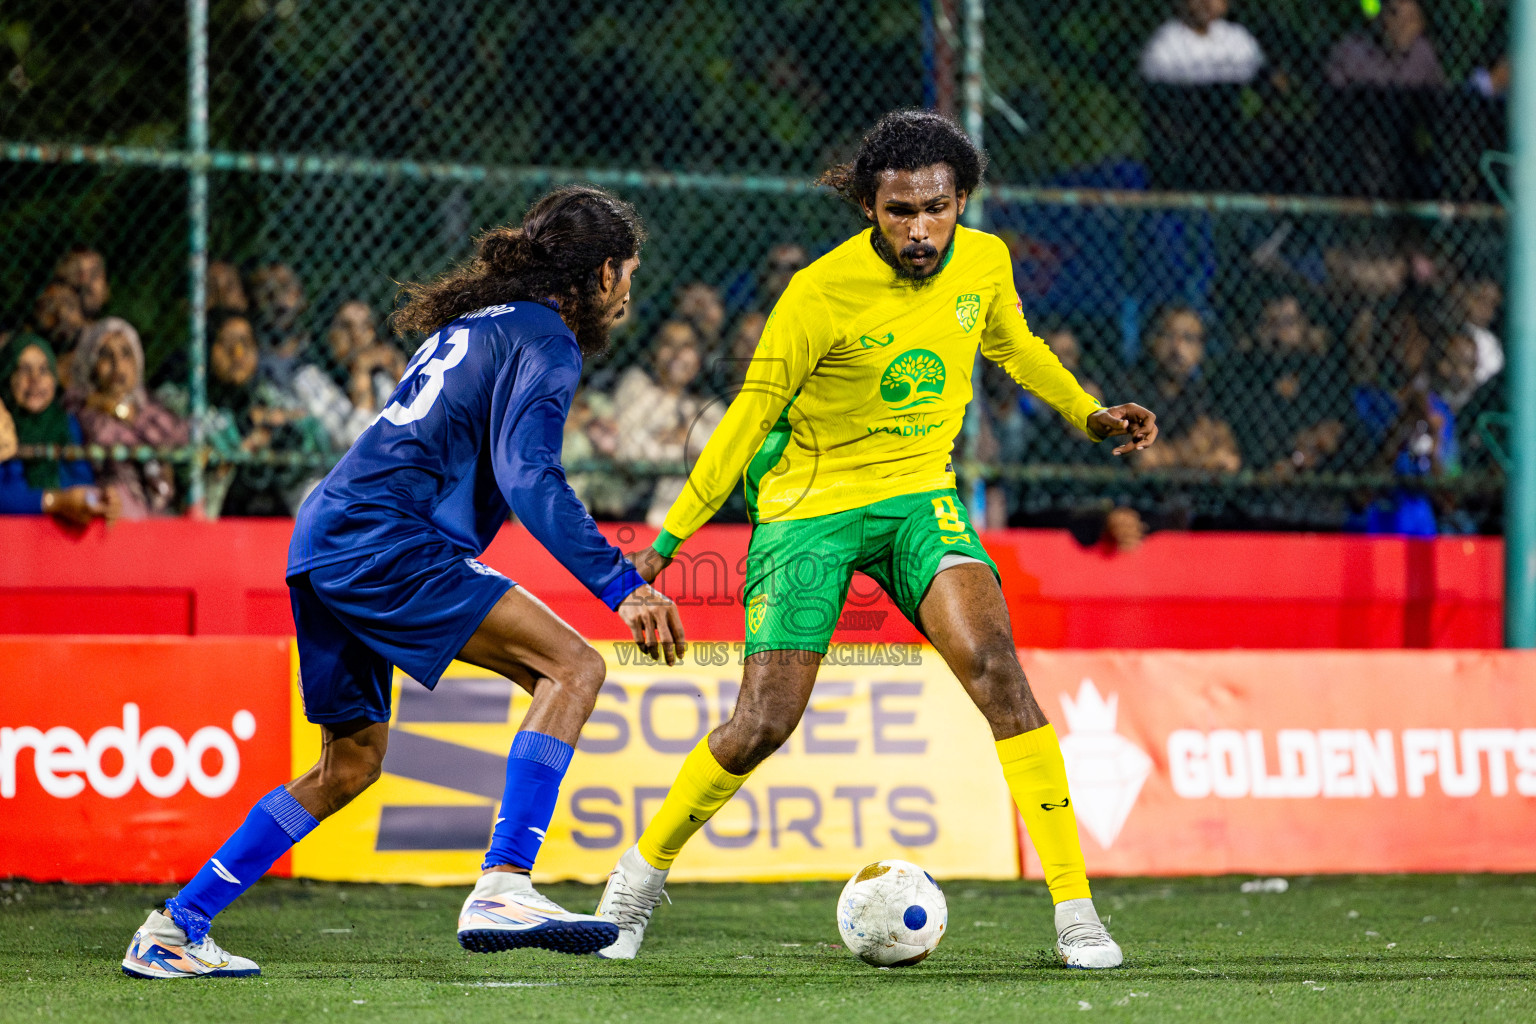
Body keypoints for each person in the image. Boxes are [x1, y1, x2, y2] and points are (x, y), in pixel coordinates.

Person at [592, 111, 1157, 969]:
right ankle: (636, 878)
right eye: (900, 212)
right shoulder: (818, 293)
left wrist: (1087, 412)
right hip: (807, 510)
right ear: (870, 206)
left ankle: (1076, 913)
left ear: (961, 198)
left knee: (1001, 676)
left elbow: (1015, 344)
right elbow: (750, 419)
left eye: (936, 208)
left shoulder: (987, 260)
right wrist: (669, 543)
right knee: (762, 724)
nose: (920, 229)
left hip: (918, 501)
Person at [120, 185, 686, 980]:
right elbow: (530, 476)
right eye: (627, 272)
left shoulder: (474, 326)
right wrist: (624, 586)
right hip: (387, 539)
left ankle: (175, 928)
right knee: (576, 666)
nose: (630, 291)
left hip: (322, 539)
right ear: (599, 274)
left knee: (348, 764)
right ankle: (504, 882)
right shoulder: (547, 338)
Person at [73, 317, 190, 518]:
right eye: (105, 355)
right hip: (111, 515)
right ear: (91, 365)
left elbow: (180, 440)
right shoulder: (82, 415)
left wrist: (124, 414)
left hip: (160, 516)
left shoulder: (153, 411)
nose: (118, 365)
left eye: (126, 354)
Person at [0, 335, 117, 523]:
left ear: (54, 378)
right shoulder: (3, 425)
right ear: (7, 377)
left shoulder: (65, 423)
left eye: (44, 370)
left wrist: (97, 499)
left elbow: (82, 480)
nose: (35, 379)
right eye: (24, 370)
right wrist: (55, 501)